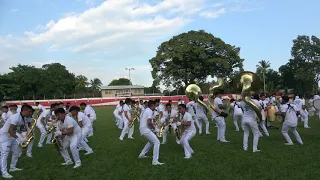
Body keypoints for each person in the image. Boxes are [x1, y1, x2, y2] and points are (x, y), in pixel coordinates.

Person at [0, 104, 33, 178]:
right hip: (4, 137)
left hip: (12, 135)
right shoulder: (16, 117)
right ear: (24, 110)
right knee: (4, 154)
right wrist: (19, 139)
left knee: (17, 151)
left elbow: (19, 128)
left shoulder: (23, 118)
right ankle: (4, 172)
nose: (30, 114)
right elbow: (10, 130)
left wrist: (25, 132)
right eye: (29, 112)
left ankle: (12, 167)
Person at [138, 100, 164, 165]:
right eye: (154, 106)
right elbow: (149, 122)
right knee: (157, 142)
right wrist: (155, 129)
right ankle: (155, 161)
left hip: (143, 129)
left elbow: (149, 121)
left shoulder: (147, 110)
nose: (155, 107)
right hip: (145, 129)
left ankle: (142, 154)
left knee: (151, 142)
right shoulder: (149, 111)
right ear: (152, 105)